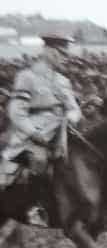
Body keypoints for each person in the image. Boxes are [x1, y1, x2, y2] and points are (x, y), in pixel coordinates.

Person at [0, 34, 81, 227]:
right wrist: (33, 132)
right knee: (39, 160)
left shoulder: (63, 81)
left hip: (61, 133)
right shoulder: (27, 77)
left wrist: (70, 119)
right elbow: (16, 111)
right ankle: (36, 208)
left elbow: (74, 108)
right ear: (49, 52)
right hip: (32, 134)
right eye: (62, 53)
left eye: (66, 54)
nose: (65, 58)